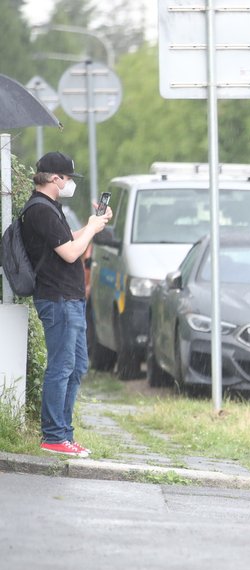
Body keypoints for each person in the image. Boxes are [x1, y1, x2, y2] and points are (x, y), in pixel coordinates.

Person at [21, 152, 112, 457]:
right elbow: (72, 253)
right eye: (69, 178)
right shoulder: (40, 210)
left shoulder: (50, 208)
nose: (71, 183)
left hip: (69, 298)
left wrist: (91, 225)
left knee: (77, 365)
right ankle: (53, 435)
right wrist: (92, 228)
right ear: (56, 178)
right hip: (57, 298)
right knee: (61, 367)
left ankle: (64, 433)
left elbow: (67, 240)